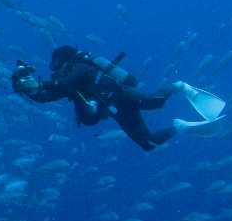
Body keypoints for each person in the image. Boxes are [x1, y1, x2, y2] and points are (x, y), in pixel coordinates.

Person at [12, 45, 179, 151]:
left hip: (122, 94)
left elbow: (66, 80)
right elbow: (44, 98)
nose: (55, 70)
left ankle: (178, 85)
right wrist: (27, 90)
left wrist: (38, 84)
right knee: (148, 144)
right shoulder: (69, 86)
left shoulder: (82, 67)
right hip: (117, 110)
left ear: (65, 61)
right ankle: (180, 127)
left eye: (56, 65)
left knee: (155, 102)